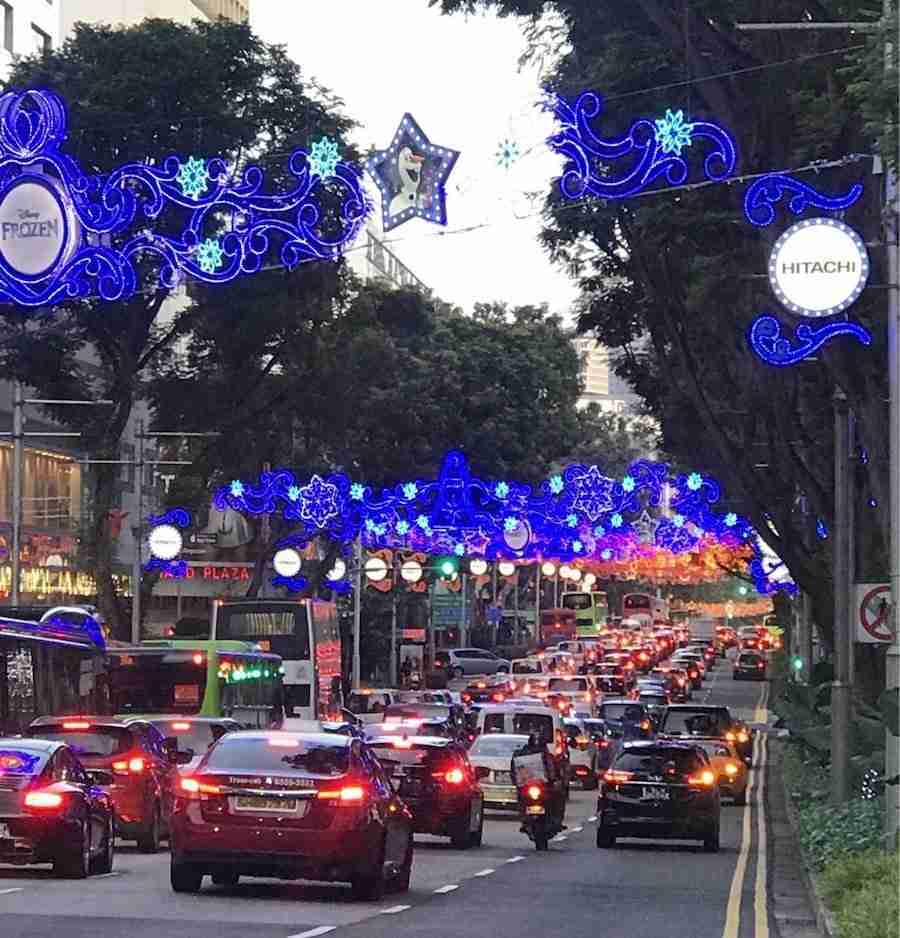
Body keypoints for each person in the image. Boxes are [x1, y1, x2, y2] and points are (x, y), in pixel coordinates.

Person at [511, 732, 566, 832]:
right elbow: (515, 771)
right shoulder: (522, 755)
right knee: (521, 796)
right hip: (529, 786)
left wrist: (557, 780)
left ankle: (557, 819)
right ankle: (524, 819)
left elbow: (557, 771)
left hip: (545, 787)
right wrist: (518, 782)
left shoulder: (549, 757)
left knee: (559, 795)